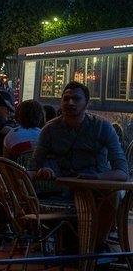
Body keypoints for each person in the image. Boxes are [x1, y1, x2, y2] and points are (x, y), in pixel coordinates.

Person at [28, 81, 128, 254]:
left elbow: (122, 172)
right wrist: (42, 171)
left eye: (76, 99)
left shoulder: (102, 127)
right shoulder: (50, 130)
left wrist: (97, 178)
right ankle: (93, 249)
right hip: (64, 190)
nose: (70, 103)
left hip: (98, 188)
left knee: (114, 195)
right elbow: (32, 168)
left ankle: (96, 245)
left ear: (86, 103)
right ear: (61, 102)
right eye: (66, 98)